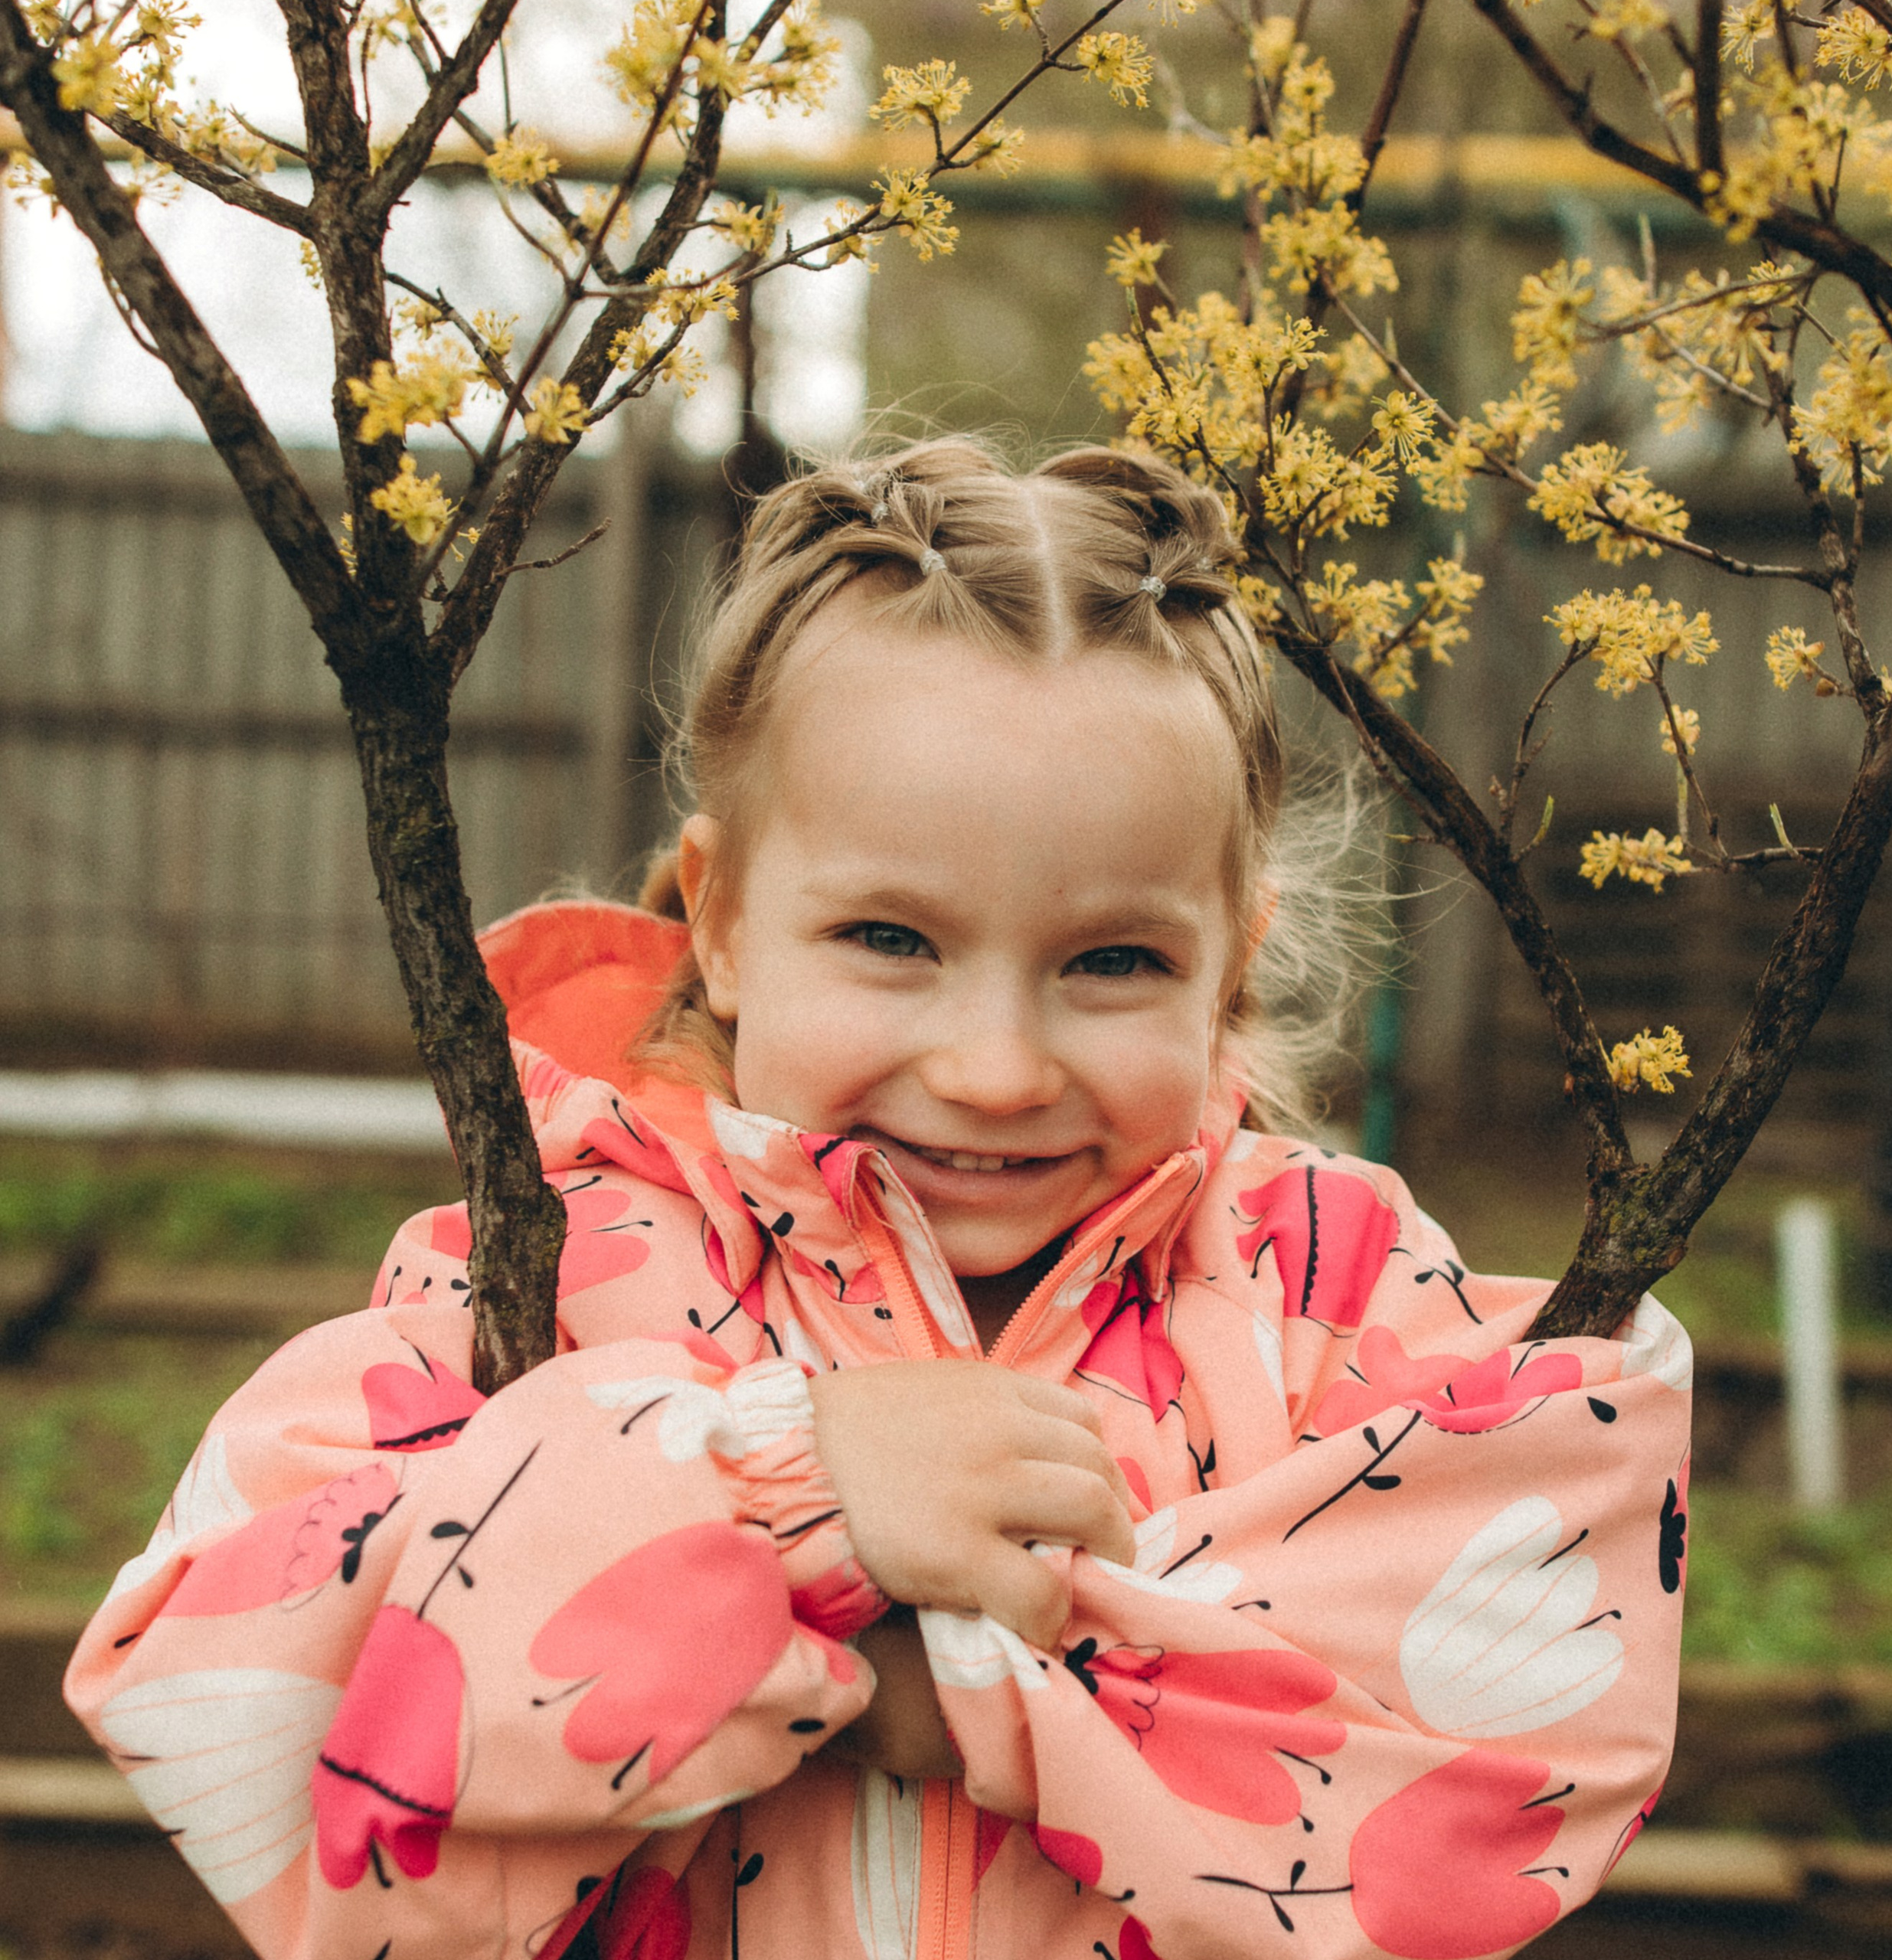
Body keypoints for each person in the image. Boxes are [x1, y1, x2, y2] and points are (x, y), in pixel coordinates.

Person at [64, 439, 1691, 1960]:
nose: (992, 1067)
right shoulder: (557, 1264)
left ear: (1231, 959)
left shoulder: (1329, 1289)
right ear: (716, 915)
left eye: (1112, 961)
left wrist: (937, 1687)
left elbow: (1537, 1702)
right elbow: (223, 1665)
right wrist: (790, 1486)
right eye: (890, 941)